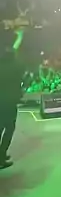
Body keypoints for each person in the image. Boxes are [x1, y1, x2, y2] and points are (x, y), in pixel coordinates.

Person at [0, 28, 24, 169]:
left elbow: (13, 50)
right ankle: (1, 156)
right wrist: (19, 37)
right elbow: (15, 51)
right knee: (9, 128)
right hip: (10, 102)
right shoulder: (16, 65)